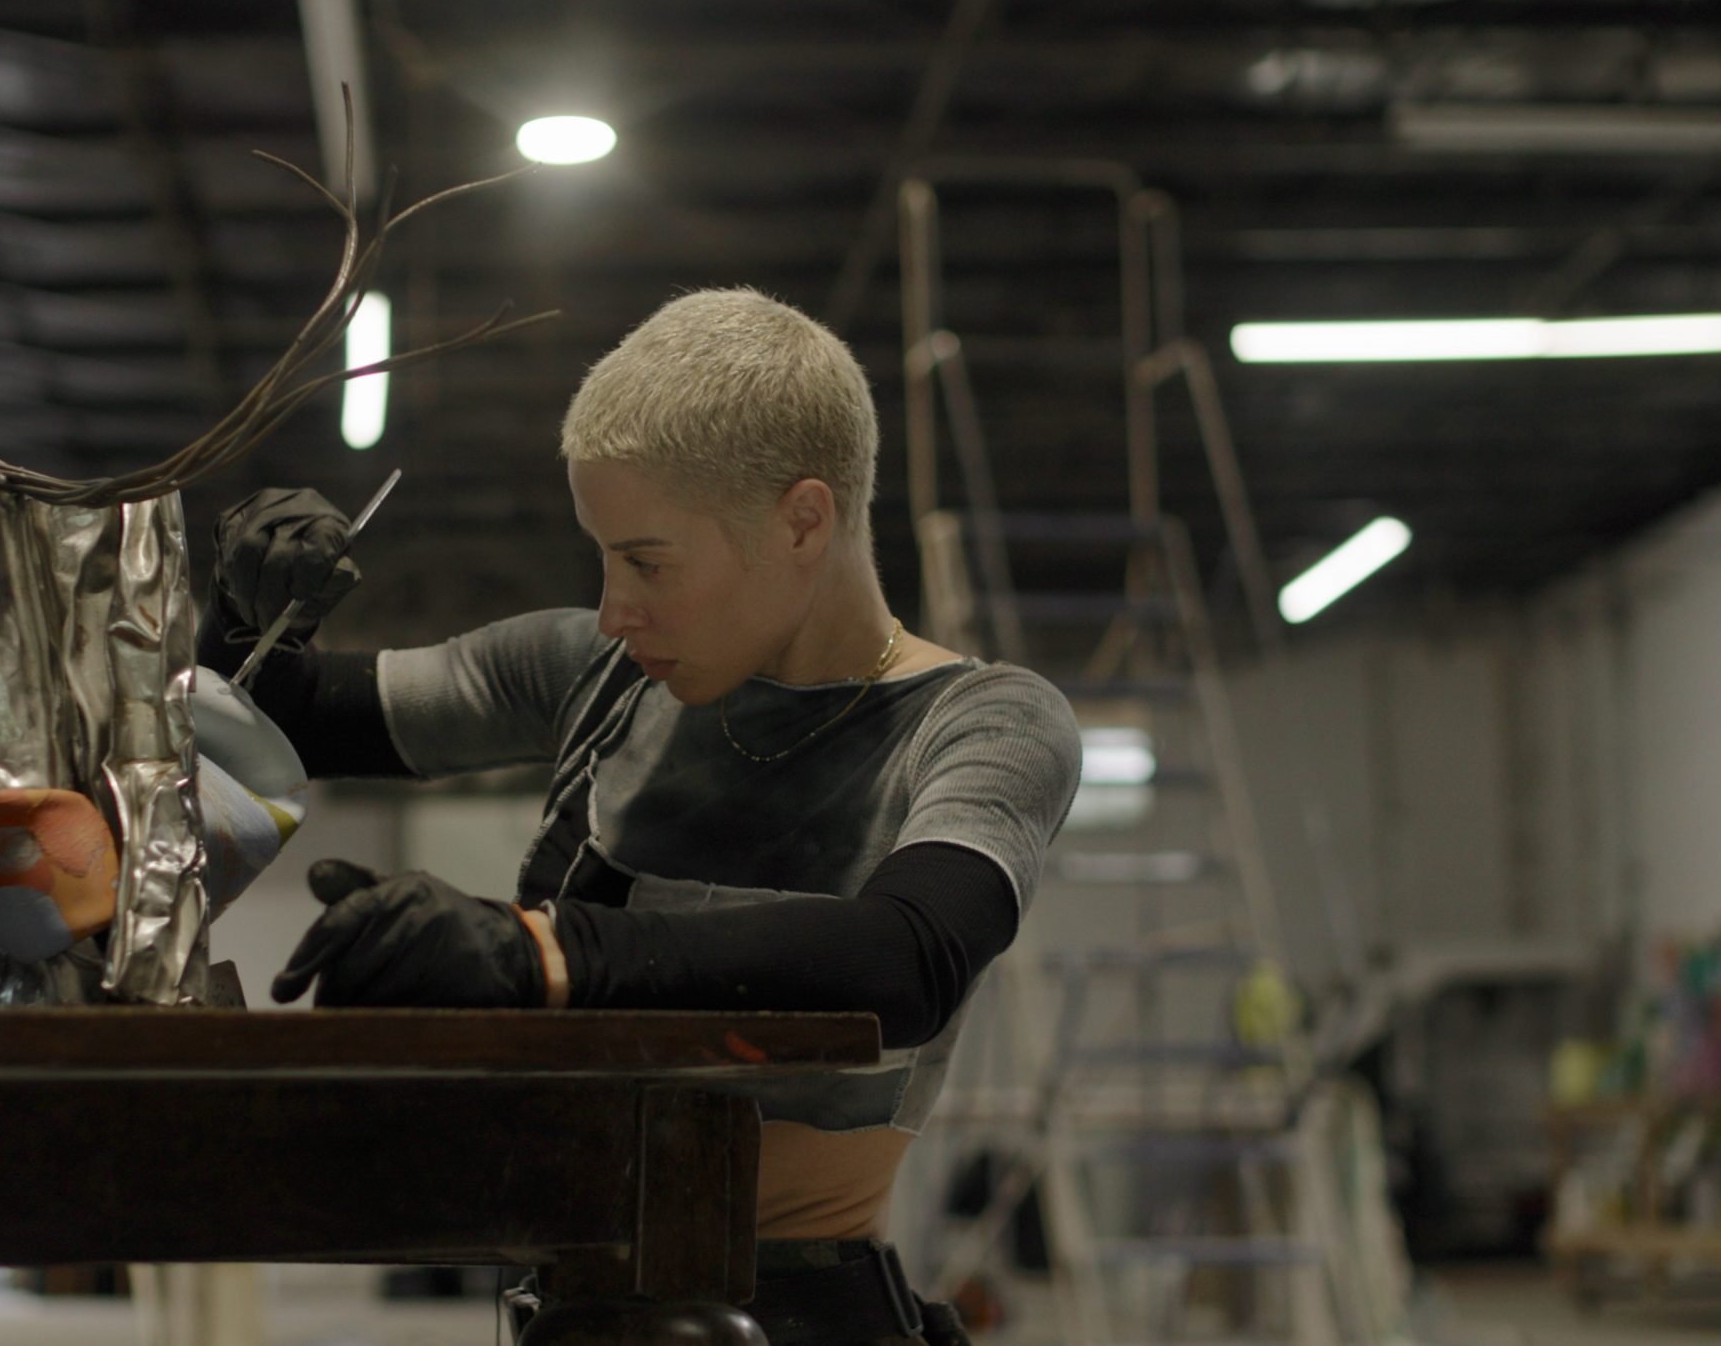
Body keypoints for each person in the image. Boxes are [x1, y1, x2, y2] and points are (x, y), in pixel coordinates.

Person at [201, 288, 1081, 1345]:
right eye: (605, 558)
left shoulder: (980, 723)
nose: (617, 608)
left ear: (803, 520)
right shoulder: (601, 675)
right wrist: (250, 617)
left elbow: (907, 958)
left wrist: (544, 952)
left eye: (648, 561)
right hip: (571, 1304)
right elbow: (278, 722)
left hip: (794, 1315)